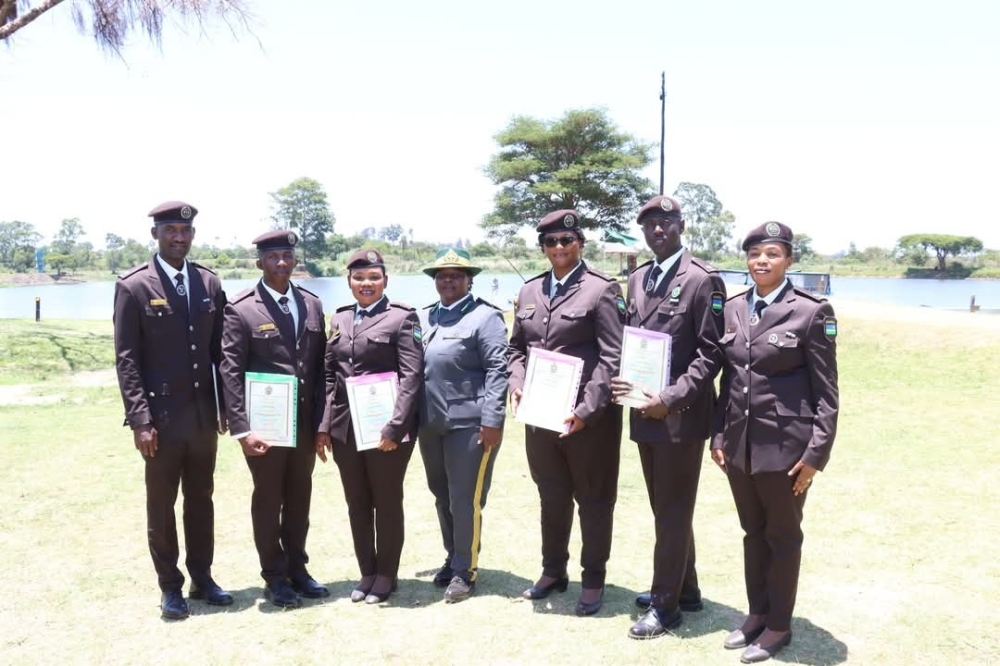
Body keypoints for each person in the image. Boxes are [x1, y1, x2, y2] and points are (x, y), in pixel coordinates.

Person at [710, 222, 839, 663]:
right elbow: (729, 381)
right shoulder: (733, 308)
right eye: (754, 254)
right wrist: (718, 434)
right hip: (740, 445)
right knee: (752, 533)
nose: (761, 261)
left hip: (787, 449)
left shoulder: (811, 311)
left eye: (772, 253)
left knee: (782, 536)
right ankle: (756, 614)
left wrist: (814, 457)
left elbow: (827, 393)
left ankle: (779, 625)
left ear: (788, 260)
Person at [610, 195, 726, 639]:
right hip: (644, 413)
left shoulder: (702, 280)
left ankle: (666, 605)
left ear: (681, 224)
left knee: (674, 512)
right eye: (650, 224)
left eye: (666, 221)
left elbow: (710, 353)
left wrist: (670, 398)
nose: (658, 229)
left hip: (680, 415)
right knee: (666, 509)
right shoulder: (639, 278)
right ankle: (688, 590)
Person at [113, 200, 232, 620]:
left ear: (192, 236)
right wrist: (140, 419)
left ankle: (203, 577)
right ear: (156, 235)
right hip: (160, 422)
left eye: (185, 232)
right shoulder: (133, 286)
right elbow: (127, 359)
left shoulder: (208, 283)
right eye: (170, 232)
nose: (178, 238)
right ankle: (170, 587)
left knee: (202, 499)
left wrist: (227, 406)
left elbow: (223, 353)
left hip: (202, 417)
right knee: (162, 506)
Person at [508, 209, 625, 616]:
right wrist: (517, 382)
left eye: (566, 240)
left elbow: (613, 357)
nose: (559, 248)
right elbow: (515, 349)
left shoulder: (602, 290)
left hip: (588, 420)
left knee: (594, 501)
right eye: (551, 242)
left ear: (580, 243)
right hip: (541, 416)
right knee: (551, 496)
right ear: (542, 247)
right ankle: (552, 571)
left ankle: (592, 579)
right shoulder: (528, 292)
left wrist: (587, 410)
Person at [219, 230, 330, 609]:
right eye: (273, 257)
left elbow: (320, 369)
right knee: (269, 501)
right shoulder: (241, 308)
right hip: (264, 428)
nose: (281, 262)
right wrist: (242, 429)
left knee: (300, 498)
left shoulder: (312, 305)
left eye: (287, 255)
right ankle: (275, 577)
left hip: (302, 426)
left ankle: (298, 569)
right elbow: (229, 372)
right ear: (259, 263)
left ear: (295, 260)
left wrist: (321, 424)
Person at [318, 249, 423, 605]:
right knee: (357, 502)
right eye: (359, 278)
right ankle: (367, 570)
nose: (366, 284)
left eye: (374, 278)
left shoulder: (402, 319)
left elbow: (412, 378)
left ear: (385, 281)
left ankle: (386, 575)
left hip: (387, 431)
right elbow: (329, 376)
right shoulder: (340, 320)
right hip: (347, 429)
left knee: (387, 500)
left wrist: (395, 428)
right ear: (349, 282)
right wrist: (324, 426)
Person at [416, 247, 508, 603]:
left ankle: (464, 571)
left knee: (465, 499)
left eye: (456, 275)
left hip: (470, 425)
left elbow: (498, 370)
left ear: (470, 280)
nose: (448, 281)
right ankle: (452, 555)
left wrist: (493, 419)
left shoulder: (486, 318)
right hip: (430, 422)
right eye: (442, 276)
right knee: (441, 495)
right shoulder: (424, 318)